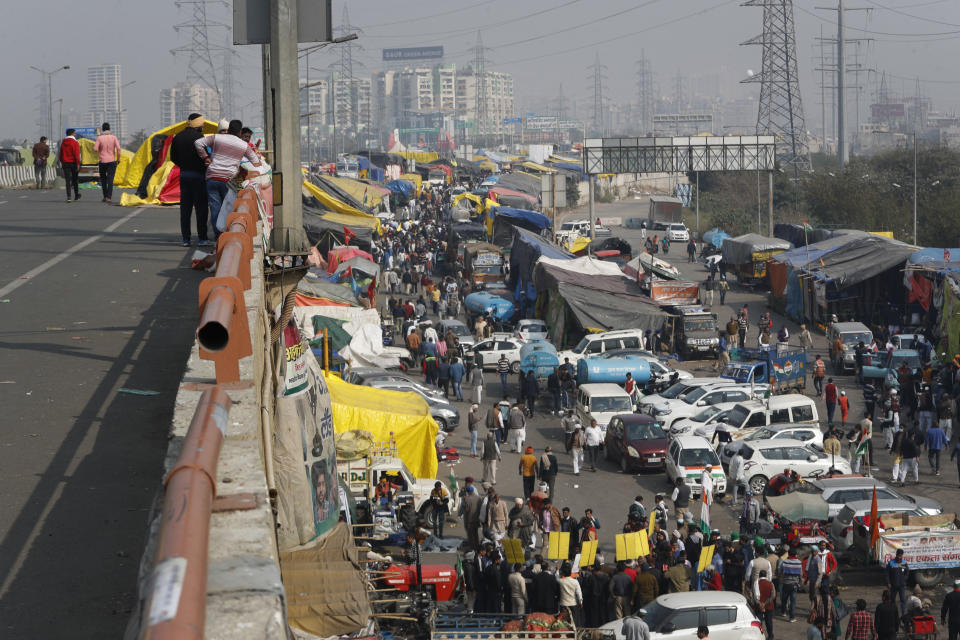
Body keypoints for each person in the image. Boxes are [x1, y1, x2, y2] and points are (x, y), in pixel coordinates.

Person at [193, 119, 261, 238]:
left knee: (215, 208)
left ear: (229, 130)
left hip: (212, 177)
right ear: (240, 132)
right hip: (228, 180)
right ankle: (227, 234)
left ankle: (218, 236)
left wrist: (206, 158)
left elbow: (198, 143)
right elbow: (256, 162)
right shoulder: (243, 145)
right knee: (228, 208)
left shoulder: (217, 138)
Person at [170, 113, 211, 246]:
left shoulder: (178, 137)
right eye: (202, 124)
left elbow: (173, 158)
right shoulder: (199, 137)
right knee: (201, 208)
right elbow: (206, 156)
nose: (203, 126)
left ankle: (186, 239)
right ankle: (202, 238)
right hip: (198, 177)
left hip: (184, 176)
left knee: (185, 209)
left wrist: (183, 165)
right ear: (198, 124)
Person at [92, 123, 121, 203]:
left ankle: (105, 196)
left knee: (103, 180)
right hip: (112, 161)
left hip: (102, 161)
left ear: (102, 129)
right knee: (110, 180)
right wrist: (118, 159)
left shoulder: (99, 138)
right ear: (109, 128)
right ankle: (109, 197)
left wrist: (100, 149)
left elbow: (95, 149)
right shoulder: (114, 137)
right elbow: (118, 149)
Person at [779, 546, 803, 621]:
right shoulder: (799, 563)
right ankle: (792, 617)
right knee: (793, 602)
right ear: (796, 554)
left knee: (784, 599)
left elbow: (780, 571)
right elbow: (800, 574)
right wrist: (800, 582)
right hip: (794, 585)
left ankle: (783, 612)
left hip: (786, 583)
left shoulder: (785, 562)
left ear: (788, 554)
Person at [59, 128, 81, 202]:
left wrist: (62, 162)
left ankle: (69, 197)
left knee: (67, 181)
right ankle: (76, 195)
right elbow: (76, 154)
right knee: (75, 180)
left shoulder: (63, 142)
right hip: (73, 163)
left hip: (65, 163)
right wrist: (78, 164)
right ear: (72, 134)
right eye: (74, 133)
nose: (75, 134)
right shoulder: (75, 142)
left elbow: (60, 154)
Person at [886, 548, 909, 614]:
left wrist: (904, 579)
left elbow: (907, 572)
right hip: (893, 585)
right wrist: (888, 583)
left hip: (902, 586)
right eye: (898, 556)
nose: (899, 557)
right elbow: (887, 574)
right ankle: (893, 613)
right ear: (896, 555)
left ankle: (903, 614)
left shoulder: (904, 563)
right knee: (892, 600)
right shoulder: (891, 563)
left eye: (901, 556)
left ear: (902, 556)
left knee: (903, 600)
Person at [757, 569, 776, 640]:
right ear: (766, 575)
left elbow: (754, 596)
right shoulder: (771, 584)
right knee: (769, 622)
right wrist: (765, 603)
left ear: (759, 575)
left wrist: (760, 604)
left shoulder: (756, 584)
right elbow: (773, 595)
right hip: (769, 606)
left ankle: (760, 636)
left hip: (758, 607)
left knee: (759, 622)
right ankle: (770, 636)